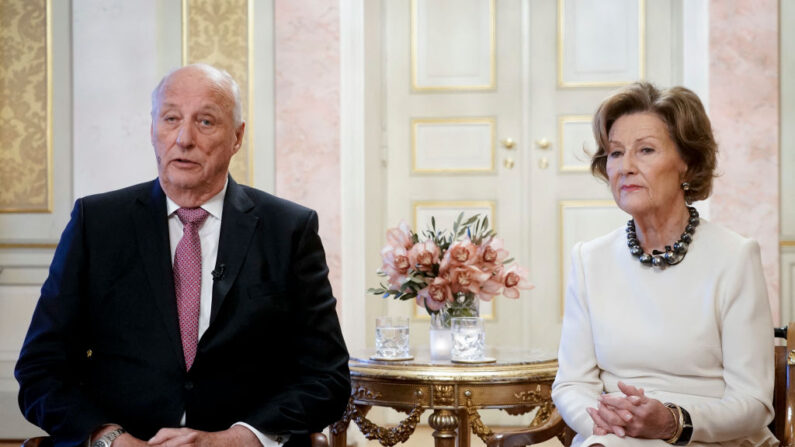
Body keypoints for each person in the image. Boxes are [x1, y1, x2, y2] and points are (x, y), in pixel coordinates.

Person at [15, 64, 351, 447]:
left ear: (237, 136)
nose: (184, 138)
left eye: (206, 121)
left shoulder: (288, 229)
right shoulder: (97, 224)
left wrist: (235, 439)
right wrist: (109, 438)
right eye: (171, 118)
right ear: (152, 129)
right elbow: (40, 369)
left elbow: (328, 377)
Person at [551, 82, 776, 447]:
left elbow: (753, 402)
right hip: (611, 439)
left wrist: (673, 423)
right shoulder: (588, 259)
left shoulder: (735, 257)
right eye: (615, 153)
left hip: (711, 436)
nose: (626, 167)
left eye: (646, 150)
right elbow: (572, 383)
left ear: (687, 162)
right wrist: (606, 428)